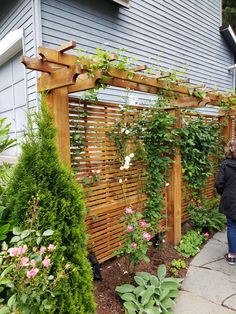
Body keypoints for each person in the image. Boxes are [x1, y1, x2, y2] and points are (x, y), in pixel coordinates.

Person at [216, 139, 236, 266]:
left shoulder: (225, 165)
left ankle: (232, 256)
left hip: (231, 200)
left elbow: (219, 183)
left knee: (232, 226)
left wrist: (224, 193)